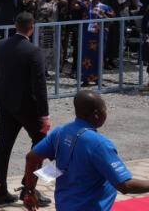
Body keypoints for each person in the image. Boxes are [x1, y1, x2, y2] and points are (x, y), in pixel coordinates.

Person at [20, 90, 149, 211]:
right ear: (97, 114)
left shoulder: (60, 132)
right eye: (105, 109)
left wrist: (30, 190)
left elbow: (31, 157)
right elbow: (125, 186)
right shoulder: (99, 144)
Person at [0, 12, 51, 206]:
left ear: (15, 25)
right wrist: (44, 115)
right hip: (26, 105)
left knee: (4, 146)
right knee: (41, 143)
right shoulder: (34, 51)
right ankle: (28, 188)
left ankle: (0, 192)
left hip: (4, 100)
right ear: (31, 28)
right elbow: (40, 85)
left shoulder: (1, 45)